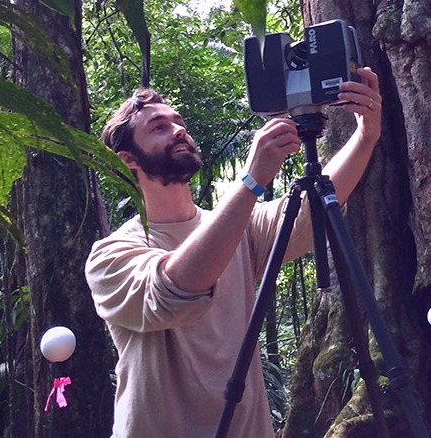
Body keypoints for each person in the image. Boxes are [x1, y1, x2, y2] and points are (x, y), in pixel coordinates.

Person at [85, 67, 383, 438]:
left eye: (179, 122)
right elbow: (176, 290)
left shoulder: (240, 225)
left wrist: (366, 135)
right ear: (129, 159)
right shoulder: (111, 256)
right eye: (159, 127)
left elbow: (314, 212)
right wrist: (250, 181)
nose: (178, 130)